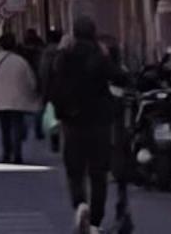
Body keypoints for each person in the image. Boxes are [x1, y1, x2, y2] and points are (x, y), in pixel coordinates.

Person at [47, 17, 121, 234]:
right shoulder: (99, 56)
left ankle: (80, 204)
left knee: (75, 171)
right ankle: (96, 222)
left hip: (72, 122)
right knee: (98, 173)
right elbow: (120, 77)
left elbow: (52, 85)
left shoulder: (63, 57)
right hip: (99, 121)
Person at [0, 31, 43, 165]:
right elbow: (31, 81)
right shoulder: (21, 61)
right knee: (17, 127)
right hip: (18, 101)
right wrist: (33, 95)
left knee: (5, 129)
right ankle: (17, 153)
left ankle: (6, 153)